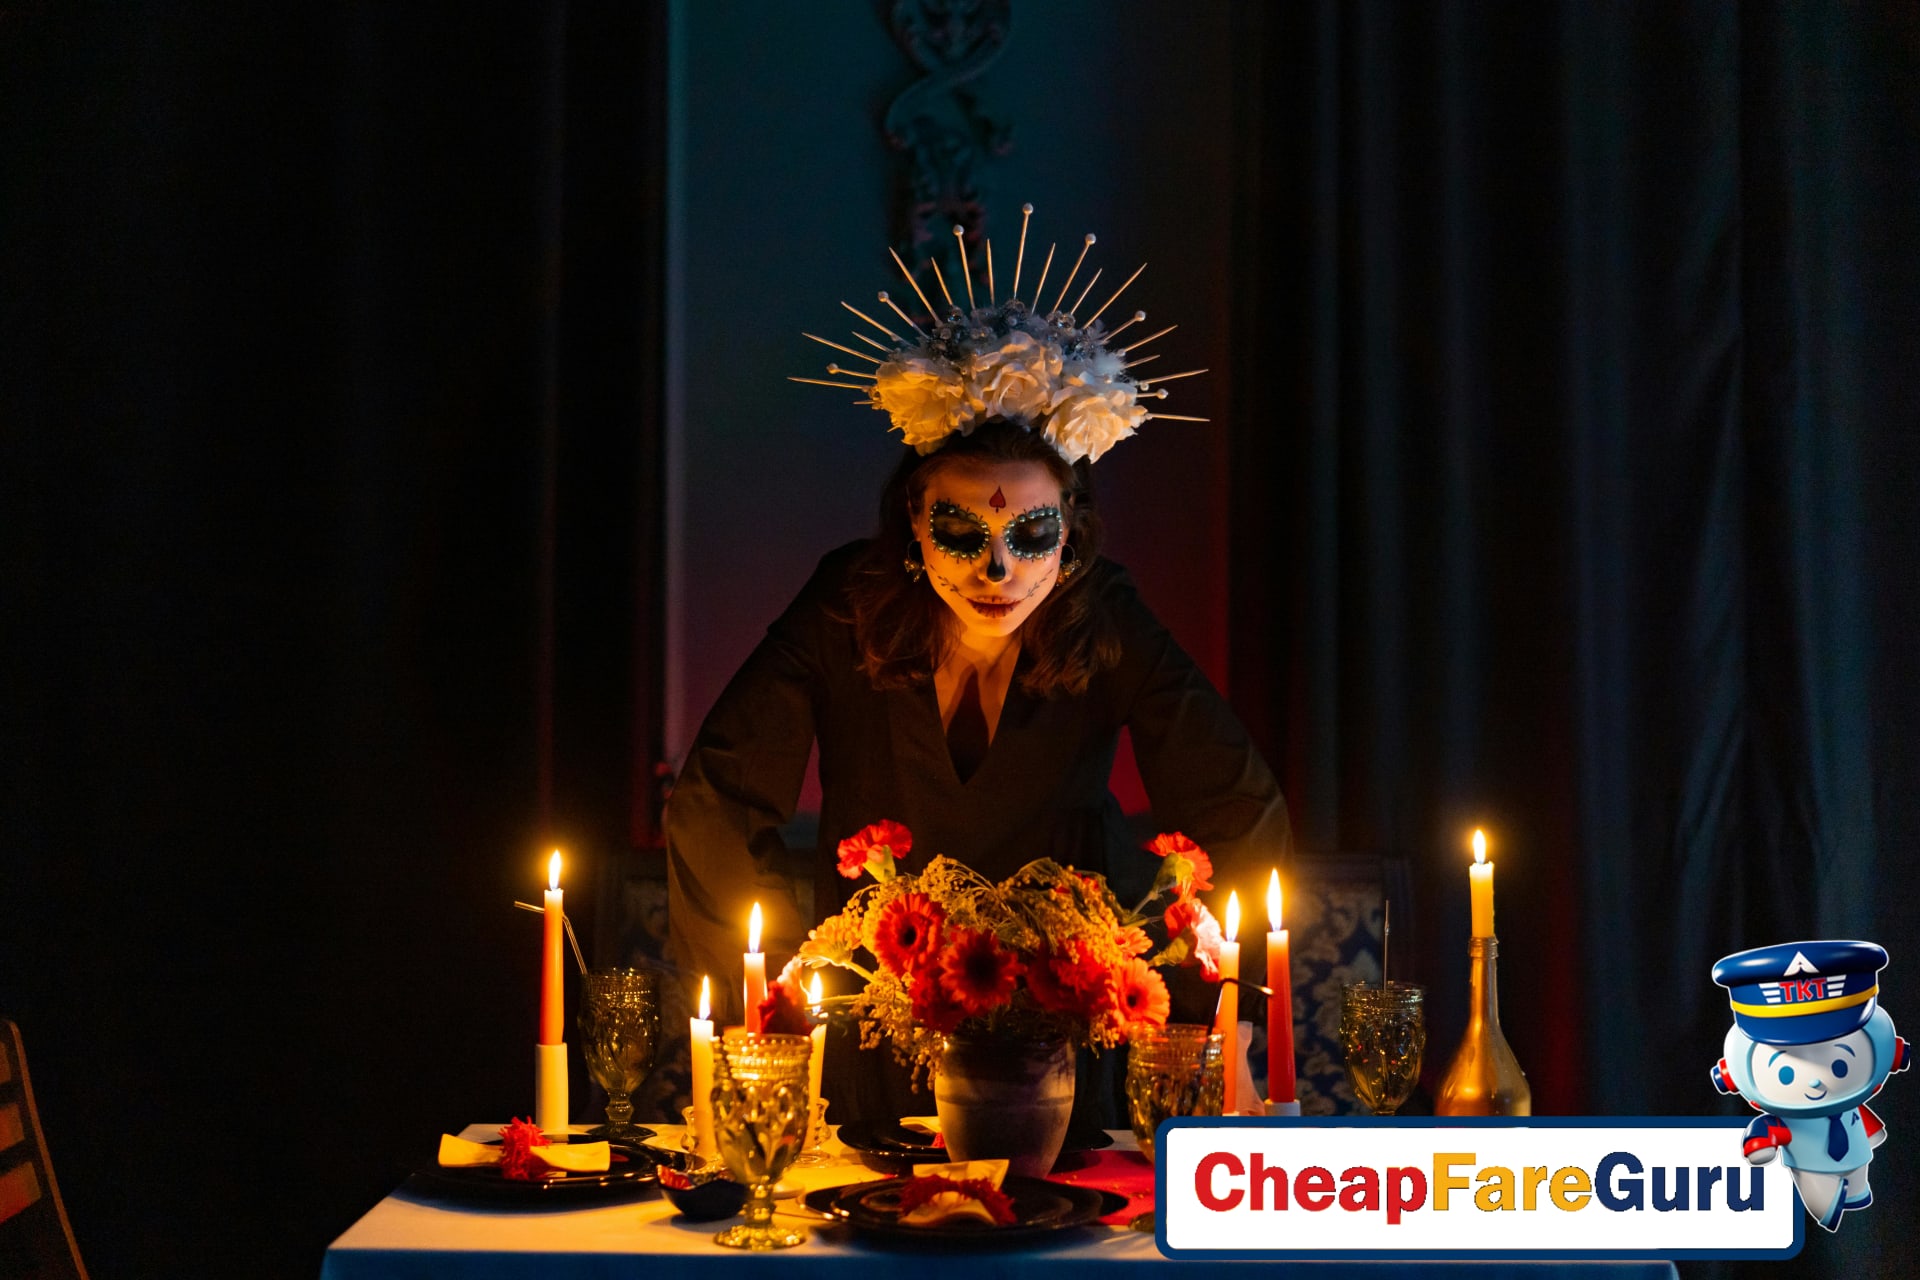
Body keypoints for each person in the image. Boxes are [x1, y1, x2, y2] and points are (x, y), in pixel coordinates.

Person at [665, 212, 1290, 1123]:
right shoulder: (847, 602)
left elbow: (1241, 809)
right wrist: (766, 1006)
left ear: (1070, 538)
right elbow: (715, 801)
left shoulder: (1104, 612)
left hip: (1059, 1039)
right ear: (912, 528)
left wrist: (1202, 1020)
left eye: (1030, 533)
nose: (997, 571)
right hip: (875, 1030)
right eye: (962, 531)